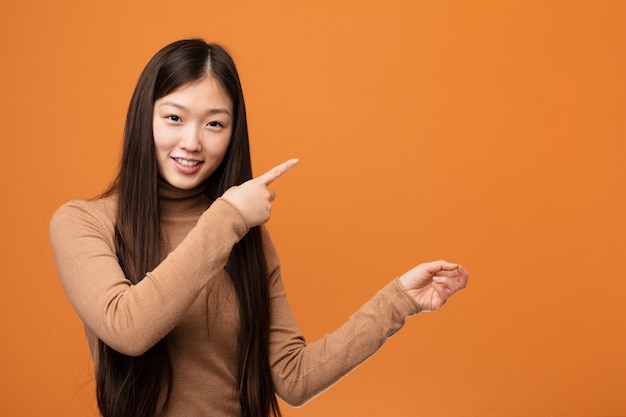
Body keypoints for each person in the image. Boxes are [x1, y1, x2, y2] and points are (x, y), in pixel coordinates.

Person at [49, 38, 468, 417]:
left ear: (233, 134)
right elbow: (128, 328)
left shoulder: (241, 234)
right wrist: (228, 219)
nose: (193, 141)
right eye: (174, 117)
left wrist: (397, 301)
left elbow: (294, 377)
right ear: (145, 118)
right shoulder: (85, 222)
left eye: (215, 124)